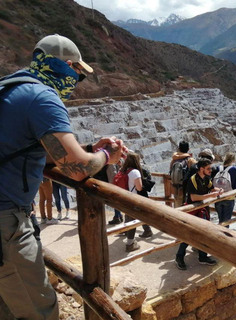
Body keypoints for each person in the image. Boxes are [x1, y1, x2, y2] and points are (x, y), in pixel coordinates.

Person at [0, 34, 127, 319]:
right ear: (67, 66)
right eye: (78, 75)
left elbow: (36, 149)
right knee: (38, 310)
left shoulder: (12, 85)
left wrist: (87, 149)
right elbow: (77, 168)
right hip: (5, 220)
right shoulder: (42, 97)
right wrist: (107, 157)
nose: (76, 82)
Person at [175, 158, 223, 270]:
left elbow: (211, 188)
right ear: (201, 169)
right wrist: (210, 196)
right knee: (189, 234)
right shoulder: (193, 179)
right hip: (193, 210)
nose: (210, 170)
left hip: (202, 209)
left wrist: (218, 190)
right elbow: (193, 197)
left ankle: (203, 256)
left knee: (203, 233)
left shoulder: (206, 178)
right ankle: (179, 256)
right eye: (208, 168)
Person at [120, 152, 144, 251]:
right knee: (133, 221)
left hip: (123, 198)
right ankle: (130, 244)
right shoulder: (135, 172)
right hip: (132, 199)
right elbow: (139, 188)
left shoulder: (123, 170)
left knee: (127, 217)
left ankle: (127, 235)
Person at [214, 152, 236, 228]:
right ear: (233, 160)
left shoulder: (218, 168)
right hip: (229, 198)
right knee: (226, 222)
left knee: (221, 220)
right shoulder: (233, 169)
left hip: (218, 197)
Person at [170, 140, 192, 207]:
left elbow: (170, 171)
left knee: (177, 207)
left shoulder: (174, 160)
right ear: (188, 149)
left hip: (175, 188)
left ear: (179, 148)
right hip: (185, 190)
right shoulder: (189, 160)